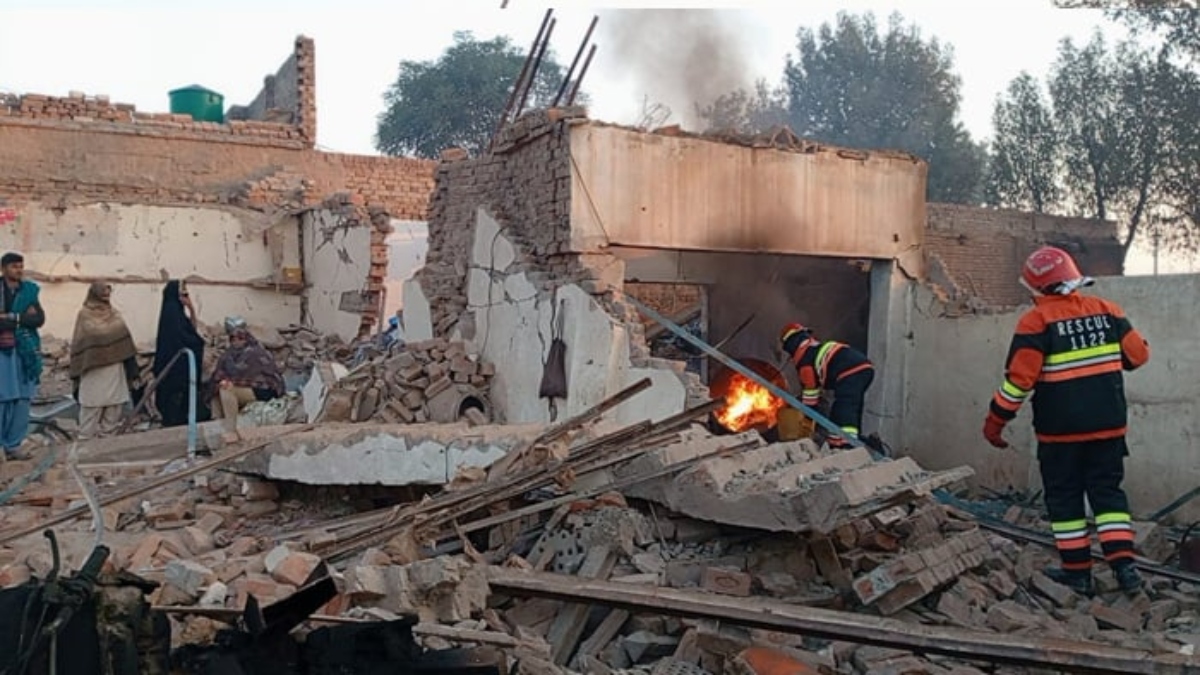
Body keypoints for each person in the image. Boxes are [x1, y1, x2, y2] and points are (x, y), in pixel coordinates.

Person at [983, 246, 1150, 595]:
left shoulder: (1036, 321)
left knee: (1065, 501)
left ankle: (1078, 573)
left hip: (1060, 436)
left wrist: (995, 423)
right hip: (1109, 429)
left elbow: (1019, 382)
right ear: (1072, 276)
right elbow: (1138, 357)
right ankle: (1126, 570)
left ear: (1034, 286)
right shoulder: (1108, 311)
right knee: (1108, 497)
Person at [779, 322, 874, 448]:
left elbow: (811, 393)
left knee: (843, 408)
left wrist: (807, 417)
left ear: (790, 345)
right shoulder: (814, 348)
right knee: (852, 407)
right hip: (865, 369)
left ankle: (845, 445)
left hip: (849, 372)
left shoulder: (805, 360)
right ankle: (849, 440)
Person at [69, 283, 139, 438]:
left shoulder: (115, 314)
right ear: (94, 294)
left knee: (113, 409)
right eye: (103, 294)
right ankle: (84, 449)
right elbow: (81, 343)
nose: (107, 297)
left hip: (114, 369)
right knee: (90, 408)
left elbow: (125, 343)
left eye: (108, 293)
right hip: (93, 369)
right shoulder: (84, 315)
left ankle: (107, 444)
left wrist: (133, 372)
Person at [210, 319, 285, 443]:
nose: (236, 342)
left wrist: (231, 382)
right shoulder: (229, 355)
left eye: (239, 338)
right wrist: (223, 381)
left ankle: (231, 431)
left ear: (246, 339)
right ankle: (215, 430)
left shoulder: (255, 352)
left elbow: (254, 374)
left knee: (227, 391)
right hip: (240, 386)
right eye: (233, 339)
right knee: (216, 391)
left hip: (263, 389)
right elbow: (219, 374)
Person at [0, 252, 44, 460]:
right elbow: (27, 318)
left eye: (21, 266)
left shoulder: (29, 291)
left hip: (24, 351)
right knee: (3, 398)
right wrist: (22, 318)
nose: (18, 270)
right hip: (2, 352)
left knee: (22, 399)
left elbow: (38, 319)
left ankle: (13, 445)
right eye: (14, 266)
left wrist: (11, 318)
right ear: (3, 269)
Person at [152, 280, 206, 428]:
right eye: (183, 294)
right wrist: (196, 343)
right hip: (174, 364)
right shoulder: (171, 312)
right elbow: (186, 338)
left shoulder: (178, 312)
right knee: (175, 400)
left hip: (179, 364)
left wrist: (191, 308)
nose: (185, 296)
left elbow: (192, 330)